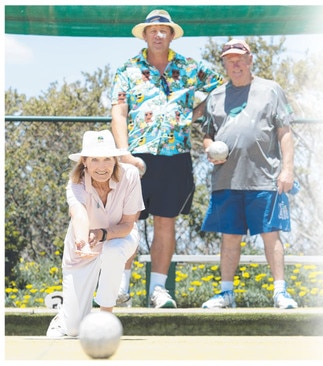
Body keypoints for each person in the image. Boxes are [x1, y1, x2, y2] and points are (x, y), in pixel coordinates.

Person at [110, 9, 223, 308]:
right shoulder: (127, 69)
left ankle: (158, 291)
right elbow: (118, 113)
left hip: (177, 156)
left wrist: (194, 114)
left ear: (172, 35)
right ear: (144, 35)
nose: (158, 34)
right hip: (137, 156)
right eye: (153, 30)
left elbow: (221, 89)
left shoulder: (190, 67)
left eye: (164, 30)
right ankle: (120, 290)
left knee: (166, 223)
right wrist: (123, 154)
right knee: (128, 223)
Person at [198, 39, 298, 309]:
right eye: (230, 60)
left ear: (251, 59)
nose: (236, 64)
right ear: (224, 64)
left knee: (271, 234)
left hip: (265, 178)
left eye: (240, 58)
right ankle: (226, 293)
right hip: (226, 180)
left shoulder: (271, 90)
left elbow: (284, 132)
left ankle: (280, 293)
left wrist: (287, 169)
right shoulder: (216, 96)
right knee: (229, 238)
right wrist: (210, 149)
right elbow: (206, 135)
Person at [46, 130, 144, 337]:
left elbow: (127, 224)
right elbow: (79, 214)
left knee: (113, 250)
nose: (102, 166)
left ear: (115, 160)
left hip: (120, 236)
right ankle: (64, 316)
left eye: (107, 159)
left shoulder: (131, 175)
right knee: (73, 329)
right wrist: (83, 243)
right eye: (95, 160)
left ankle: (104, 321)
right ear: (84, 162)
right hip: (84, 243)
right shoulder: (75, 183)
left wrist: (102, 234)